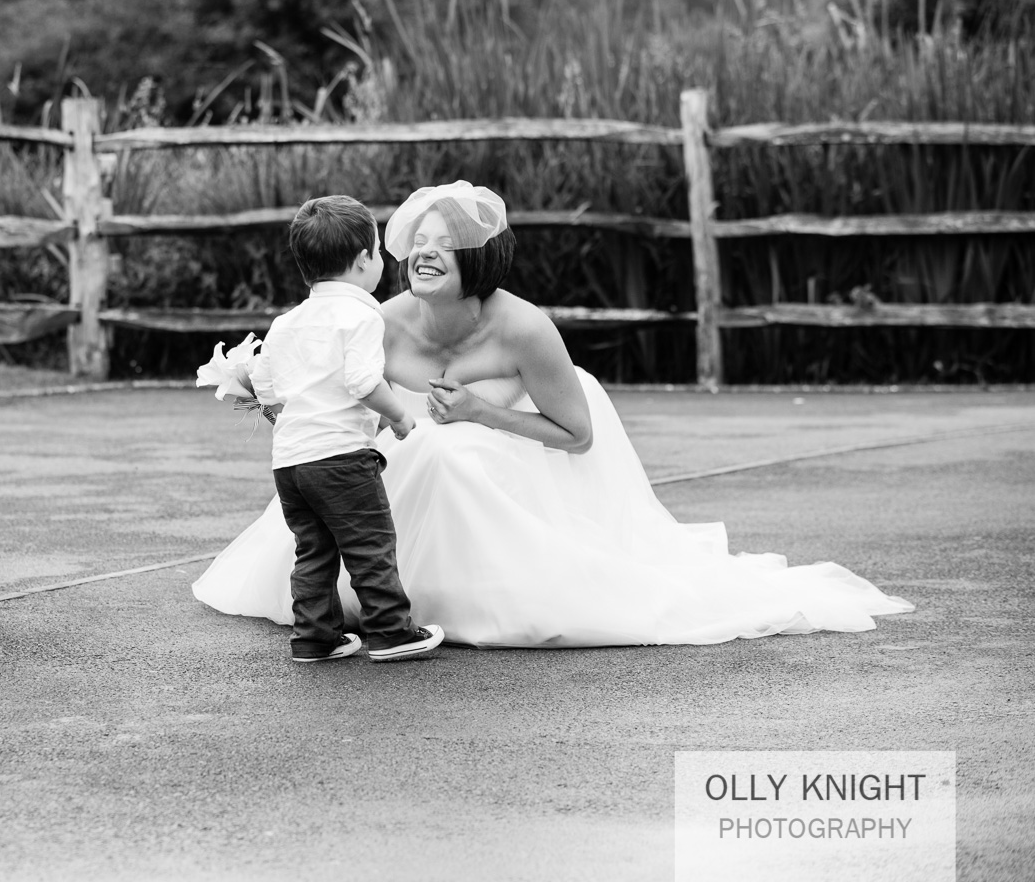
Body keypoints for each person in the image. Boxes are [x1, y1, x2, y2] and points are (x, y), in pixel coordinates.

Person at [195, 181, 914, 647]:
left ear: (480, 259)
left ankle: (437, 603)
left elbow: (577, 435)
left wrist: (481, 411)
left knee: (446, 452)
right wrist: (264, 396)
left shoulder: (524, 329)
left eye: (446, 246)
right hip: (398, 467)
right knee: (391, 461)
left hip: (508, 462)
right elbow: (332, 396)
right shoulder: (377, 322)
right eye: (418, 245)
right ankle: (373, 604)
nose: (425, 256)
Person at [247, 195, 445, 663]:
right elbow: (363, 381)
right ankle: (391, 631)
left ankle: (314, 636)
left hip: (290, 464)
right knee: (370, 544)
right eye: (378, 252)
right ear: (363, 260)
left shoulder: (286, 322)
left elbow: (264, 386)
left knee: (313, 550)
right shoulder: (362, 315)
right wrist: (399, 417)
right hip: (341, 458)